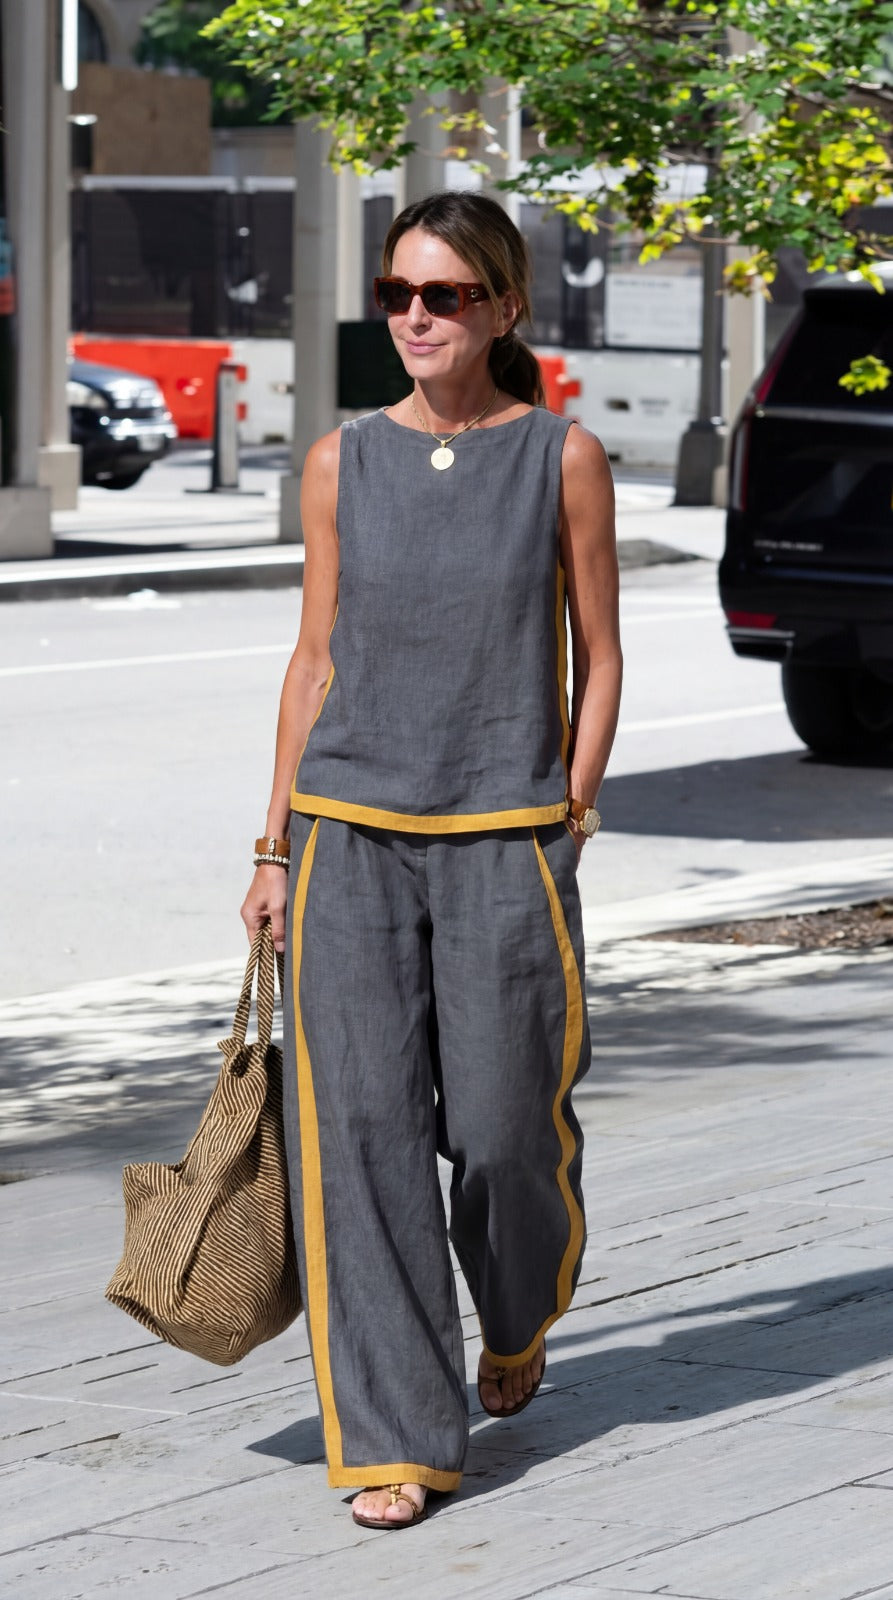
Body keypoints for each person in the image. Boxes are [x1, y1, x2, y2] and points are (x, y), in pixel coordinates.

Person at [241, 190, 622, 1530]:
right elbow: (312, 660)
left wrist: (570, 811)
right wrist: (274, 847)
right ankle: (397, 1438)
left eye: (444, 295)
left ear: (503, 307)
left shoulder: (561, 458)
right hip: (346, 834)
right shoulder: (341, 460)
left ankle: (516, 1312)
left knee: (508, 1132)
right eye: (397, 293)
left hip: (503, 841)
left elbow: (598, 655)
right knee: (360, 1139)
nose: (415, 315)